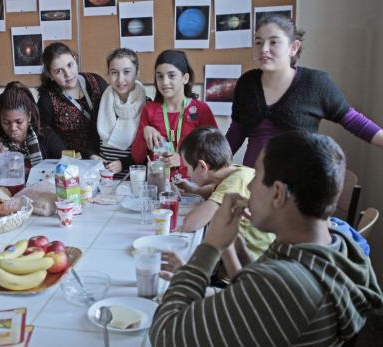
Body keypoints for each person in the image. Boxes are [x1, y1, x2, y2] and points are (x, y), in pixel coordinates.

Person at [150, 131, 383, 346]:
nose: (249, 184)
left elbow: (165, 335)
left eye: (257, 177)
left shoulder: (284, 286)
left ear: (278, 194)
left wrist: (210, 248)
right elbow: (257, 298)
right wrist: (231, 249)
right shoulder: (334, 242)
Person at [226, 14, 383, 167]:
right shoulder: (247, 83)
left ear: (293, 48)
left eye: (274, 42)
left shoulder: (315, 83)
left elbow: (353, 120)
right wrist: (210, 167)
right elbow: (235, 133)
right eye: (258, 42)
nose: (264, 49)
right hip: (252, 185)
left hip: (299, 185)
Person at [178, 127, 274, 277]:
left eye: (187, 168)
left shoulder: (235, 182)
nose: (187, 173)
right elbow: (214, 190)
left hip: (245, 273)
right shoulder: (237, 172)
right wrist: (195, 190)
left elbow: (190, 224)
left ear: (202, 166)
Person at [131, 49, 217, 179]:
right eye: (159, 76)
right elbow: (137, 158)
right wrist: (145, 131)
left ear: (185, 78)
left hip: (192, 186)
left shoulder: (201, 110)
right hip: (158, 186)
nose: (164, 82)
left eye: (171, 75)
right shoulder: (149, 110)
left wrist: (183, 160)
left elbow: (215, 155)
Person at [37, 42, 108, 158]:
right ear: (50, 75)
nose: (68, 74)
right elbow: (45, 137)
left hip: (106, 156)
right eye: (59, 71)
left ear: (75, 60)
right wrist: (79, 157)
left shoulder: (96, 81)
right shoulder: (47, 100)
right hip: (72, 164)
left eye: (70, 65)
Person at [0, 81, 65, 169]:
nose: (13, 128)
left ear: (29, 116)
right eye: (6, 122)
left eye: (19, 122)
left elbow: (69, 164)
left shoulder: (46, 137)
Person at [92, 48, 147, 179]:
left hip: (133, 180)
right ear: (108, 75)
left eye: (127, 72)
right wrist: (92, 155)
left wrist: (124, 163)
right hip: (104, 178)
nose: (120, 79)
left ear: (137, 73)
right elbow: (90, 139)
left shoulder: (147, 105)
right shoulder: (100, 102)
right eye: (114, 72)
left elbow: (147, 152)